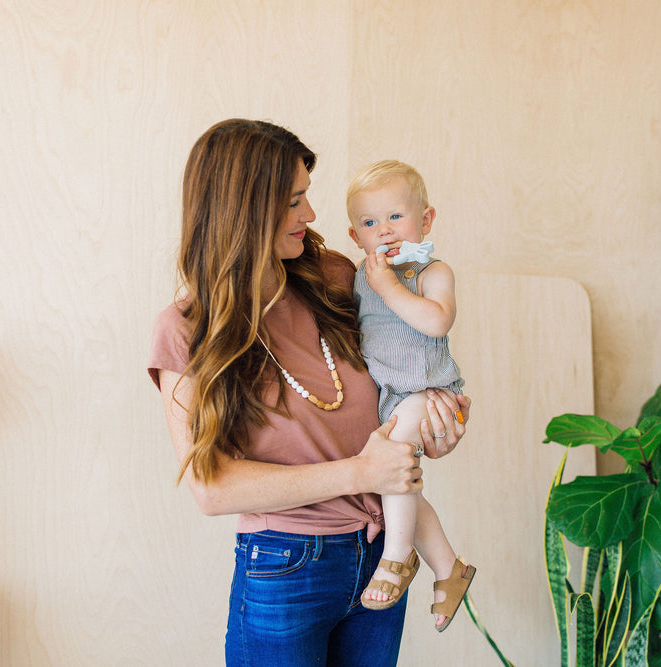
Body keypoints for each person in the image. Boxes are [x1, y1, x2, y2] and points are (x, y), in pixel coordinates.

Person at [148, 119, 471, 667]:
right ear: (246, 209)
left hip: (381, 556)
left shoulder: (338, 278)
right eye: (294, 201)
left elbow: (407, 365)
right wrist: (363, 473)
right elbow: (212, 489)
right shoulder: (185, 331)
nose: (312, 215)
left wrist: (439, 420)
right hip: (286, 568)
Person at [346, 160, 475, 632]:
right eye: (369, 222)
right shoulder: (359, 275)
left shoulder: (432, 271)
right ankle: (449, 568)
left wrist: (387, 285)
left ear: (426, 219)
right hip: (390, 398)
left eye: (396, 216)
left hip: (430, 391)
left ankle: (397, 554)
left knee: (395, 467)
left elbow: (437, 321)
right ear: (355, 236)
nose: (384, 230)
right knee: (399, 485)